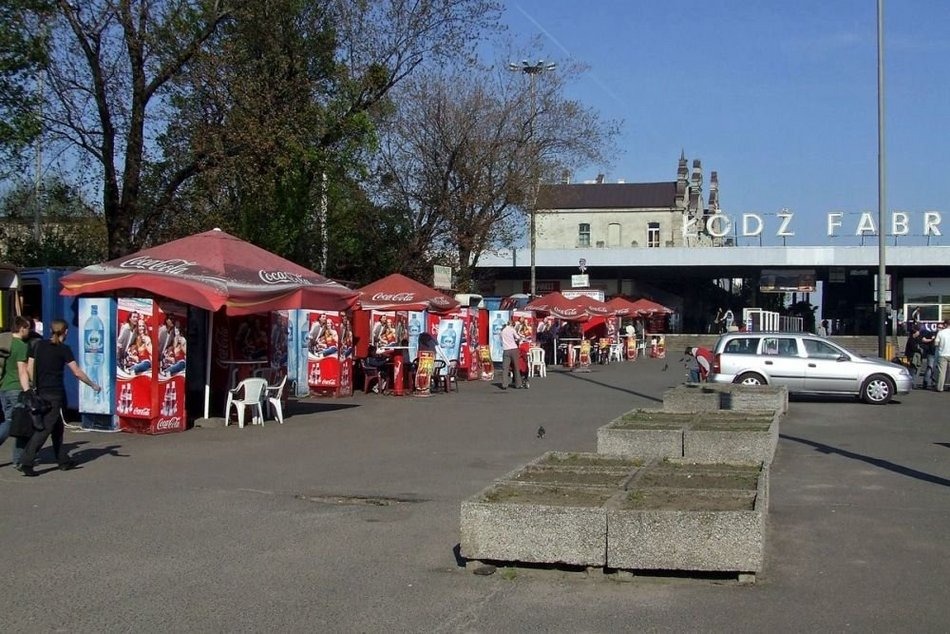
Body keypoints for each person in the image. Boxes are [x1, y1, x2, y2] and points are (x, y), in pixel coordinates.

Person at [19, 319, 101, 477]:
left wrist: (34, 384)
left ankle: (63, 460)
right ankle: (26, 461)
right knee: (45, 428)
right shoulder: (64, 349)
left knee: (57, 428)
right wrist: (92, 384)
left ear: (50, 330)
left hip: (41, 391)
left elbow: (29, 367)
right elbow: (76, 372)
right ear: (66, 332)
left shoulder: (38, 345)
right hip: (54, 394)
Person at [0, 316, 33, 468]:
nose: (29, 331)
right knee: (19, 424)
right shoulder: (21, 345)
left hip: (3, 387)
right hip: (16, 388)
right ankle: (18, 459)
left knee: (9, 420)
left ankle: (19, 458)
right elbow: (22, 371)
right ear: (22, 328)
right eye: (28, 328)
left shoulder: (3, 341)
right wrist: (27, 390)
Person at [500, 319, 523, 389]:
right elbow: (518, 337)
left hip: (506, 350)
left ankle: (504, 385)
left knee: (505, 368)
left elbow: (501, 341)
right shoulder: (512, 329)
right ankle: (518, 384)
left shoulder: (502, 331)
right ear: (511, 324)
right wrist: (520, 338)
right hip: (513, 349)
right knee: (516, 367)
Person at [919, 324, 938, 389]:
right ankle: (925, 382)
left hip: (939, 353)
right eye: (939, 327)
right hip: (931, 353)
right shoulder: (931, 333)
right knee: (930, 368)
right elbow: (923, 339)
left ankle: (934, 382)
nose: (940, 328)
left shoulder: (944, 334)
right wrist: (931, 340)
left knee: (936, 369)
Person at [935, 320, 950, 392]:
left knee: (942, 372)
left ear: (946, 324)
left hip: (943, 354)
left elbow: (936, 343)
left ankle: (940, 387)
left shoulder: (940, 333)